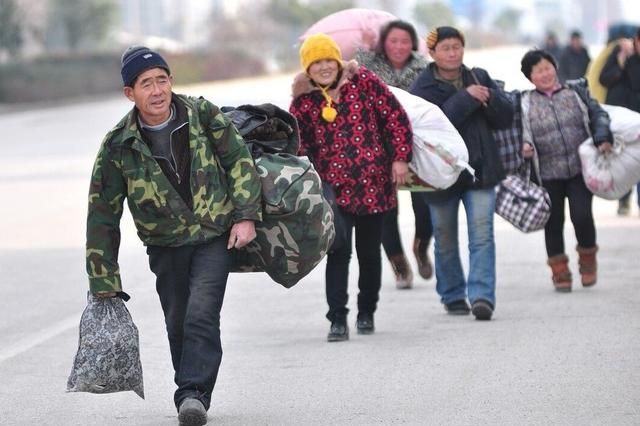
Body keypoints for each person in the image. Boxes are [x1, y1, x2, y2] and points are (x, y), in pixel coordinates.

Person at [86, 46, 262, 426]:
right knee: (178, 319)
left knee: (201, 313)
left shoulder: (201, 114)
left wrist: (246, 216)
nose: (157, 90)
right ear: (130, 93)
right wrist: (103, 278)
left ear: (171, 82)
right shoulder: (119, 144)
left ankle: (192, 394)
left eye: (162, 80)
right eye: (146, 83)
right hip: (164, 244)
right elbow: (103, 213)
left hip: (214, 234)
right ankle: (192, 390)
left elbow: (238, 159)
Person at [290, 33, 413, 341]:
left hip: (373, 184)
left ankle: (367, 311)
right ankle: (337, 319)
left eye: (328, 60)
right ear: (308, 68)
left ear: (338, 61)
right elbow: (296, 146)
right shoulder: (303, 101)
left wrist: (400, 158)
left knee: (369, 253)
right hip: (332, 190)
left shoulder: (364, 82)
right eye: (315, 62)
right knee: (339, 252)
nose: (323, 67)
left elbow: (395, 118)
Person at [409, 26, 514, 321]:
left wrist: (491, 98)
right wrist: (466, 99)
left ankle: (481, 295)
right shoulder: (423, 87)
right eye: (446, 48)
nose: (453, 53)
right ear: (432, 53)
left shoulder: (478, 76)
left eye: (457, 46)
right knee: (444, 237)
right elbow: (430, 126)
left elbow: (506, 118)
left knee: (482, 236)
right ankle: (453, 293)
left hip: (480, 171)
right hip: (440, 175)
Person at [519, 49, 612, 292]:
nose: (545, 74)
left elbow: (598, 115)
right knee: (553, 222)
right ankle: (559, 271)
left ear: (555, 68)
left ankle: (588, 261)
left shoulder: (575, 92)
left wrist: (602, 136)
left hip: (579, 170)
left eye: (547, 67)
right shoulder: (525, 102)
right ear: (530, 77)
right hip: (547, 174)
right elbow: (519, 132)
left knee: (581, 216)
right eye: (538, 71)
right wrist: (524, 147)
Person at [355, 19, 432, 289]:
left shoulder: (424, 68)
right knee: (386, 210)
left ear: (413, 44)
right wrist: (364, 50)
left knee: (425, 208)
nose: (399, 46)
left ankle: (421, 245)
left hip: (419, 146)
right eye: (393, 41)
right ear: (383, 43)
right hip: (378, 147)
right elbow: (353, 83)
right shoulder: (369, 68)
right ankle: (399, 264)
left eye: (404, 41)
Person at [599, 27, 640, 216]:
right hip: (622, 119)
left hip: (636, 117)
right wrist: (622, 63)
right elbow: (603, 79)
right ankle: (624, 200)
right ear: (635, 40)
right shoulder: (620, 54)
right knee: (625, 161)